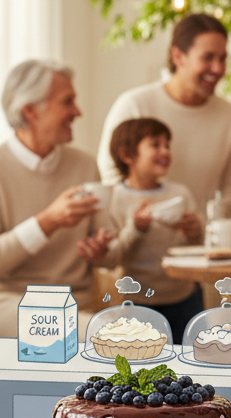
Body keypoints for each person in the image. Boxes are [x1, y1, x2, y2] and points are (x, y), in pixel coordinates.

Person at [0, 59, 110, 337]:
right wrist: (47, 222)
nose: (77, 112)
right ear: (30, 111)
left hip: (77, 306)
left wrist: (102, 251)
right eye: (67, 102)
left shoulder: (85, 165)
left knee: (132, 330)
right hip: (10, 304)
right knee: (101, 332)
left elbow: (110, 255)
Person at [96, 13, 231, 215]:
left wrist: (203, 230)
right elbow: (111, 177)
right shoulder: (134, 105)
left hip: (202, 243)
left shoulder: (230, 116)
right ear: (178, 56)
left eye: (222, 58)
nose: (218, 68)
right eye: (208, 57)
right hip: (140, 238)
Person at [85, 117, 203, 342]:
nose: (165, 150)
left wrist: (194, 232)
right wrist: (136, 229)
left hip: (185, 297)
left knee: (191, 363)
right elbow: (113, 258)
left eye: (167, 144)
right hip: (138, 301)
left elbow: (196, 249)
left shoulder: (181, 193)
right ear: (127, 155)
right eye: (155, 144)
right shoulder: (114, 199)